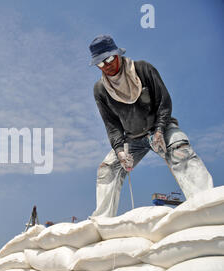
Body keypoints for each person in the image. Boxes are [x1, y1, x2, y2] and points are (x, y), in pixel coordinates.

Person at [89, 34, 213, 217]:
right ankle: (101, 221)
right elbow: (112, 125)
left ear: (117, 55)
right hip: (132, 139)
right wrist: (119, 150)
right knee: (107, 169)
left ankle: (207, 206)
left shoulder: (143, 69)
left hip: (160, 127)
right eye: (100, 63)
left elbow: (164, 102)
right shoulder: (100, 90)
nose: (106, 66)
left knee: (180, 150)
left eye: (108, 59)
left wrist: (160, 130)